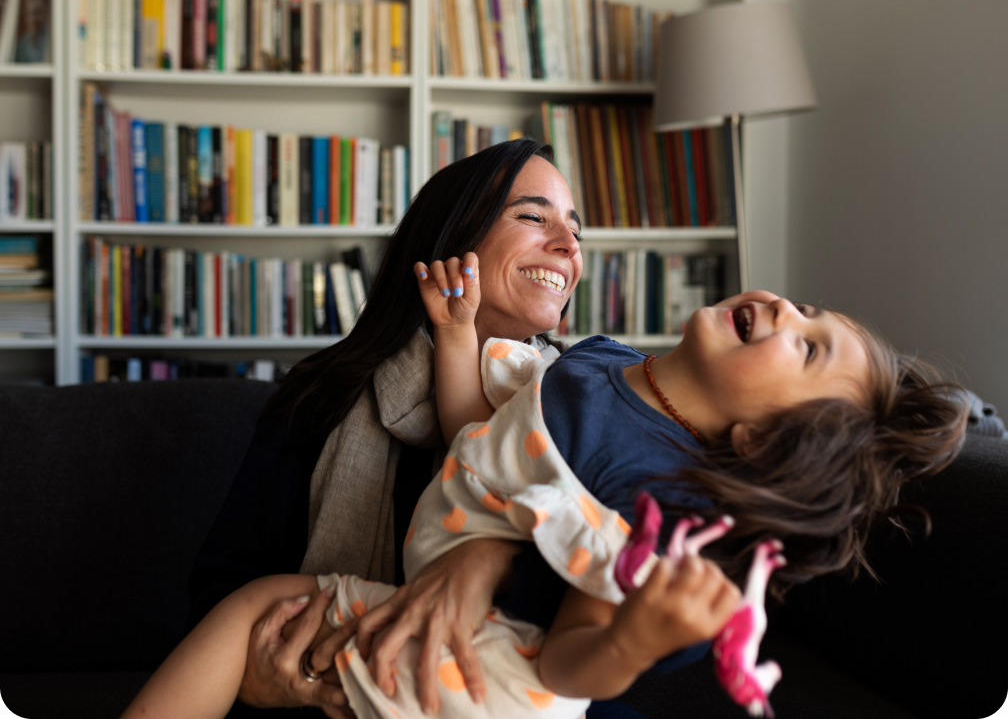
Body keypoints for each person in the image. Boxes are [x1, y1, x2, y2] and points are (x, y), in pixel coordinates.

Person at [122, 250, 967, 718]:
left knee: (254, 614)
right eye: (811, 309)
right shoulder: (598, 362)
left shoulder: (660, 494)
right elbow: (480, 448)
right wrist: (456, 339)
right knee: (254, 606)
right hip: (426, 614)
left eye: (809, 347)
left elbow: (569, 663)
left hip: (491, 677)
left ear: (758, 438)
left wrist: (634, 641)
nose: (790, 308)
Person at [185, 139, 585, 718]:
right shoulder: (326, 394)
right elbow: (220, 595)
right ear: (454, 238)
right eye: (532, 216)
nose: (568, 247)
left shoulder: (579, 405)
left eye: (576, 232)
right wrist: (264, 678)